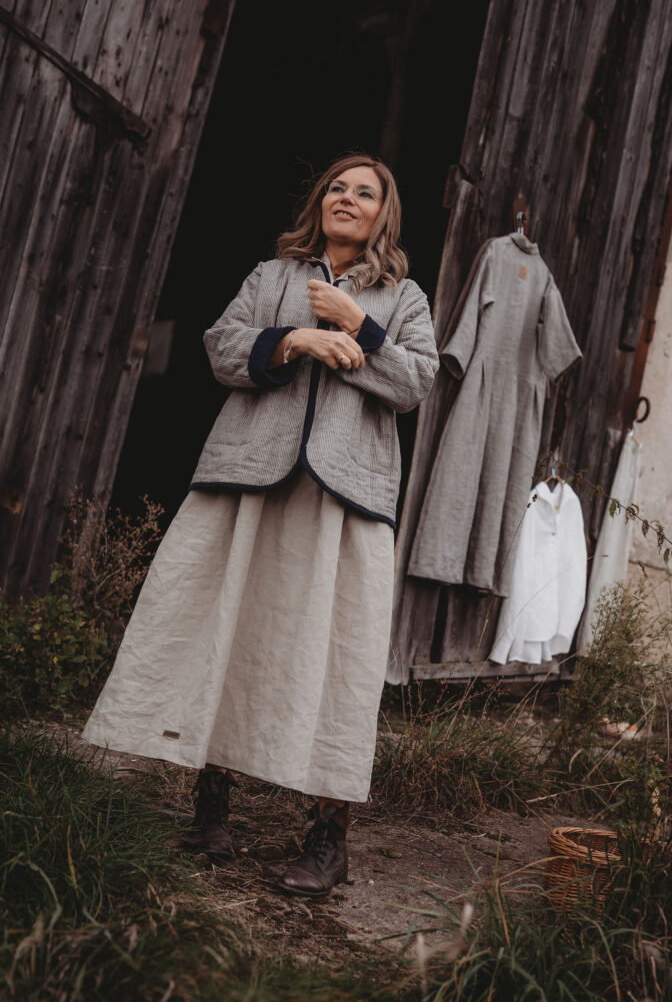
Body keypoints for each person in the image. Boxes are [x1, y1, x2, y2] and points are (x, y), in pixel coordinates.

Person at [82, 153, 439, 898]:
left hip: (345, 494)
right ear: (320, 202)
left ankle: (329, 838)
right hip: (248, 473)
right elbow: (220, 348)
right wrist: (295, 340)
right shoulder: (271, 276)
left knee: (338, 654)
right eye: (337, 187)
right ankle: (211, 808)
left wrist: (358, 328)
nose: (347, 198)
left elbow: (415, 384)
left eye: (365, 192)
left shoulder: (404, 296)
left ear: (384, 214)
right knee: (229, 626)